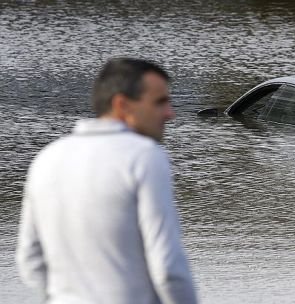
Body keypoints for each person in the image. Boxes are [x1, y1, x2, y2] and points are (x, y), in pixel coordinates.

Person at [16, 58, 198, 304]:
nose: (170, 114)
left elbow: (30, 260)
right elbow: (168, 269)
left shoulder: (48, 157)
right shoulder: (144, 156)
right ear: (122, 104)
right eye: (160, 102)